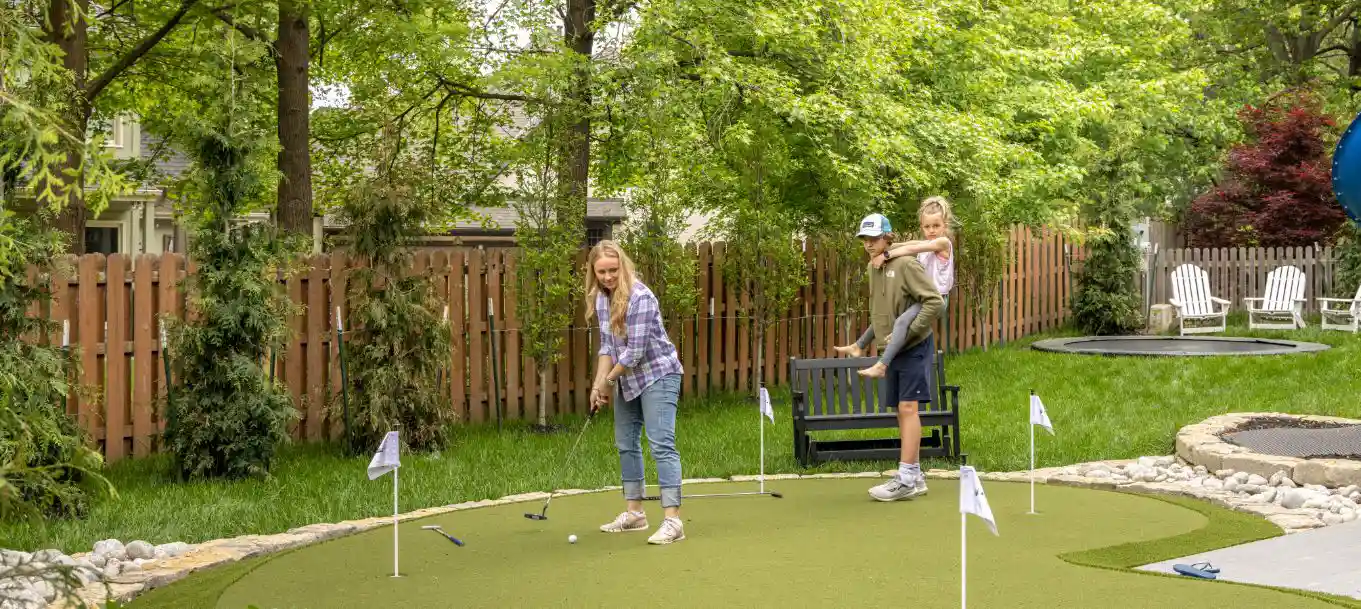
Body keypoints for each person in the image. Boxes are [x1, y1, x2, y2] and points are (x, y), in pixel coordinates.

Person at [833, 213, 943, 501]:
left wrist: (909, 332)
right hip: (891, 350)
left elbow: (935, 302)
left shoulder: (906, 264)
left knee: (908, 408)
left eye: (874, 238)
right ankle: (915, 476)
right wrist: (862, 343)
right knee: (899, 410)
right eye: (864, 239)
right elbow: (884, 314)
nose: (869, 244)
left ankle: (905, 478)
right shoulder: (873, 268)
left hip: (915, 347)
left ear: (887, 237)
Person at [585, 240, 687, 544]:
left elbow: (634, 353)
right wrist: (597, 385)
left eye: (613, 270)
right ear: (593, 272)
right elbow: (607, 347)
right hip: (627, 379)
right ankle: (635, 514)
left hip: (659, 374)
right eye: (601, 272)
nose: (608, 277)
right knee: (625, 443)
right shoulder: (601, 298)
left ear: (623, 266)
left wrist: (608, 382)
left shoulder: (641, 296)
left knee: (661, 444)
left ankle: (673, 522)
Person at [843, 196, 957, 379]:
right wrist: (882, 244)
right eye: (927, 227)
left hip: (936, 298)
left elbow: (910, 250)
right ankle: (859, 345)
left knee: (901, 322)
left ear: (945, 225)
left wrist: (886, 255)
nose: (931, 230)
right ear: (922, 227)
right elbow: (907, 244)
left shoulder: (943, 243)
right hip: (921, 297)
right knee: (888, 314)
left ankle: (882, 365)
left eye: (936, 226)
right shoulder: (926, 243)